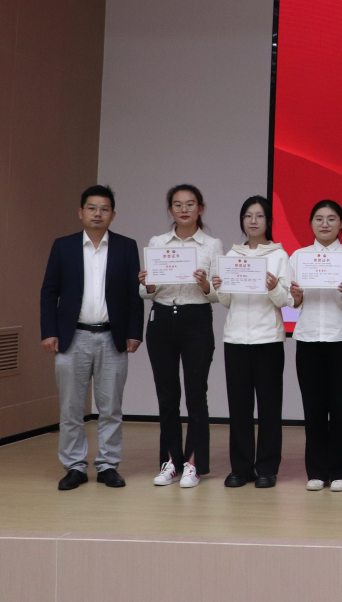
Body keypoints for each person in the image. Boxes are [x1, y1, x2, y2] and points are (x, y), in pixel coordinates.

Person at [40, 185, 143, 490]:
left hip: (113, 337)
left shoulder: (126, 247)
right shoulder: (64, 246)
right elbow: (49, 292)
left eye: (104, 209)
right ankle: (74, 466)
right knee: (71, 408)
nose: (98, 214)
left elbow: (134, 296)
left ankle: (108, 465)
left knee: (110, 408)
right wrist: (49, 331)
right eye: (92, 208)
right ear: (80, 212)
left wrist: (134, 333)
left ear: (113, 214)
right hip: (73, 337)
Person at [140, 184, 223, 488]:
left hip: (196, 319)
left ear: (200, 208)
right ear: (170, 209)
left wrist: (204, 284)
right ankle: (171, 461)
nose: (184, 209)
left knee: (196, 395)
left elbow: (219, 294)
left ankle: (193, 463)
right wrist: (148, 284)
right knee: (167, 396)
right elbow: (146, 291)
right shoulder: (158, 242)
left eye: (190, 204)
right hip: (162, 319)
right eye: (178, 204)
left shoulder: (211, 245)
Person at [209, 196, 291, 488]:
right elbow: (227, 301)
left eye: (259, 216)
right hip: (235, 339)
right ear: (242, 221)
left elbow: (286, 300)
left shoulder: (279, 256)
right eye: (248, 216)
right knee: (239, 407)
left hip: (268, 339)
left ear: (269, 221)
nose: (253, 221)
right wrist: (220, 288)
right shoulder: (232, 255)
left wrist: (274, 286)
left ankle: (267, 468)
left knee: (269, 407)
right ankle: (241, 468)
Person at [289, 200, 342, 492]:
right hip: (308, 338)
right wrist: (295, 297)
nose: (325, 224)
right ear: (311, 224)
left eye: (332, 219)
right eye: (319, 218)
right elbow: (292, 300)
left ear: (341, 224)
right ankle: (317, 471)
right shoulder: (299, 256)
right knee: (314, 408)